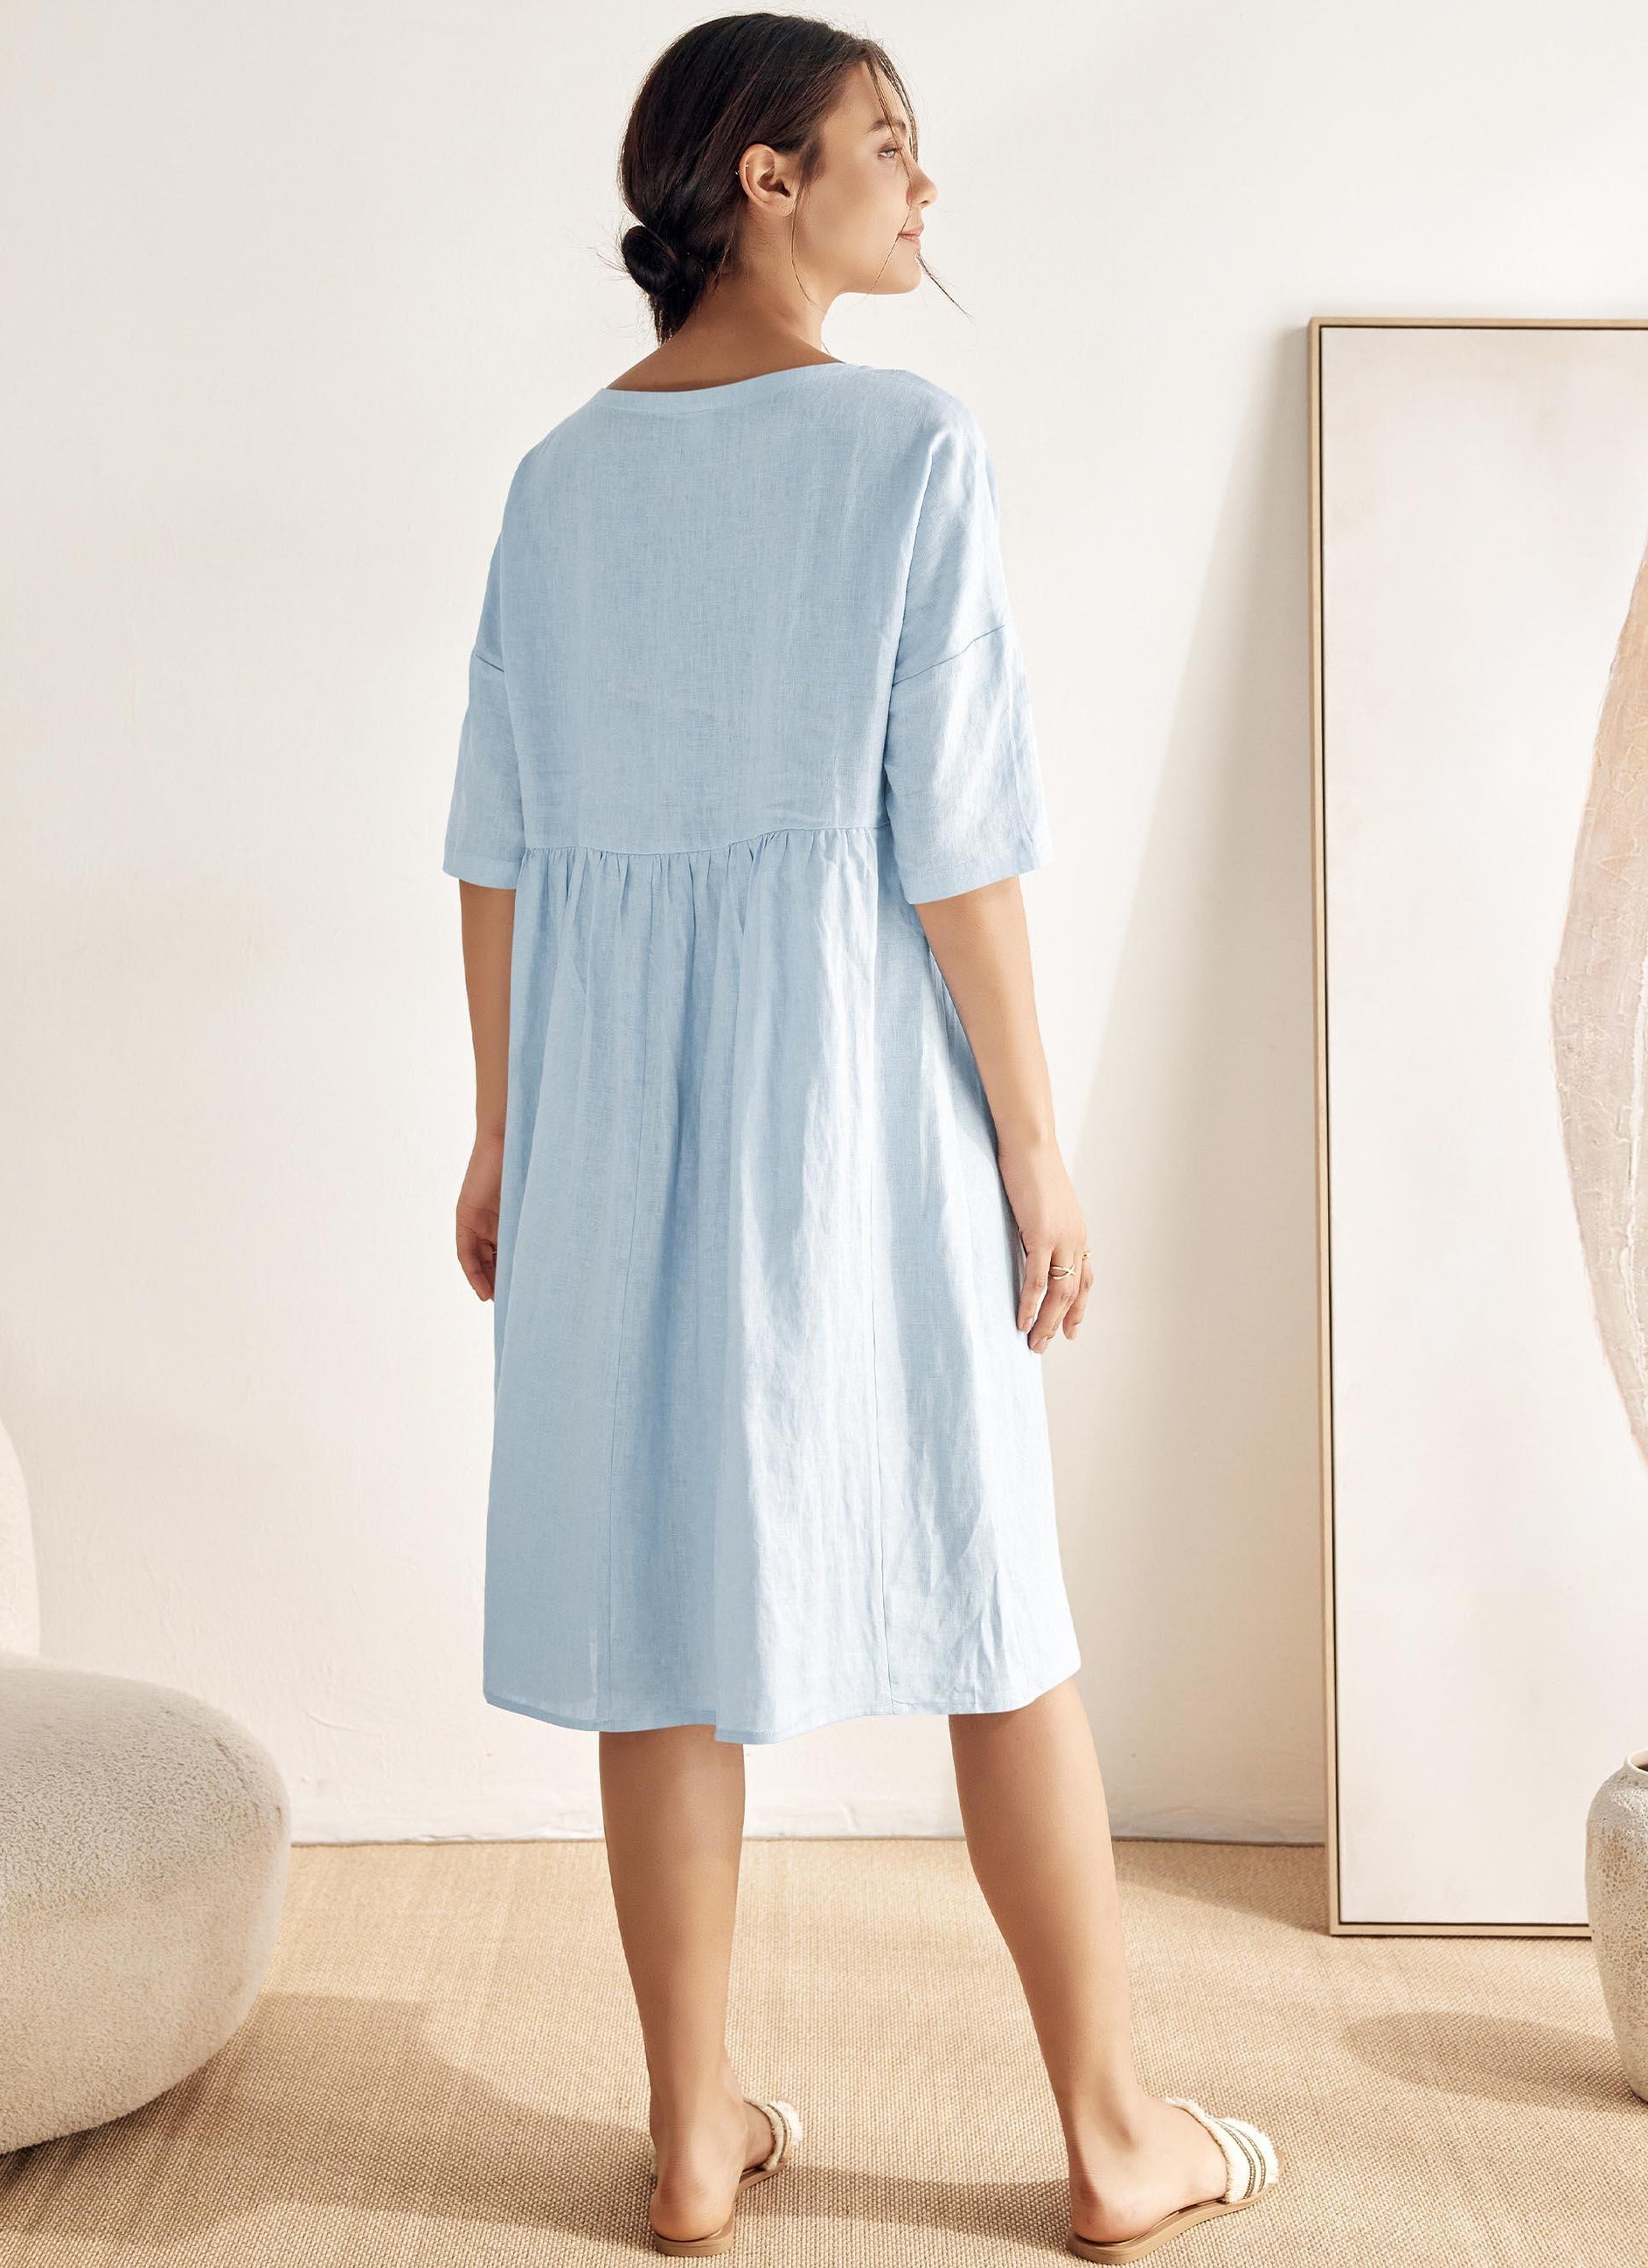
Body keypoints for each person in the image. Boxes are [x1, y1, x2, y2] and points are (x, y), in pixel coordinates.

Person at [443, 15, 1280, 2260]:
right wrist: (1034, 1142)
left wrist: (506, 1130)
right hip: (854, 1102)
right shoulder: (906, 442)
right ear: (765, 178)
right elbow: (957, 841)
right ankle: (1110, 2136)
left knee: (653, 1608)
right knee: (994, 1595)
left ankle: (689, 2132)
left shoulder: (557, 477)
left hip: (610, 1108)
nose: (925, 188)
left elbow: (493, 846)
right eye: (886, 147)